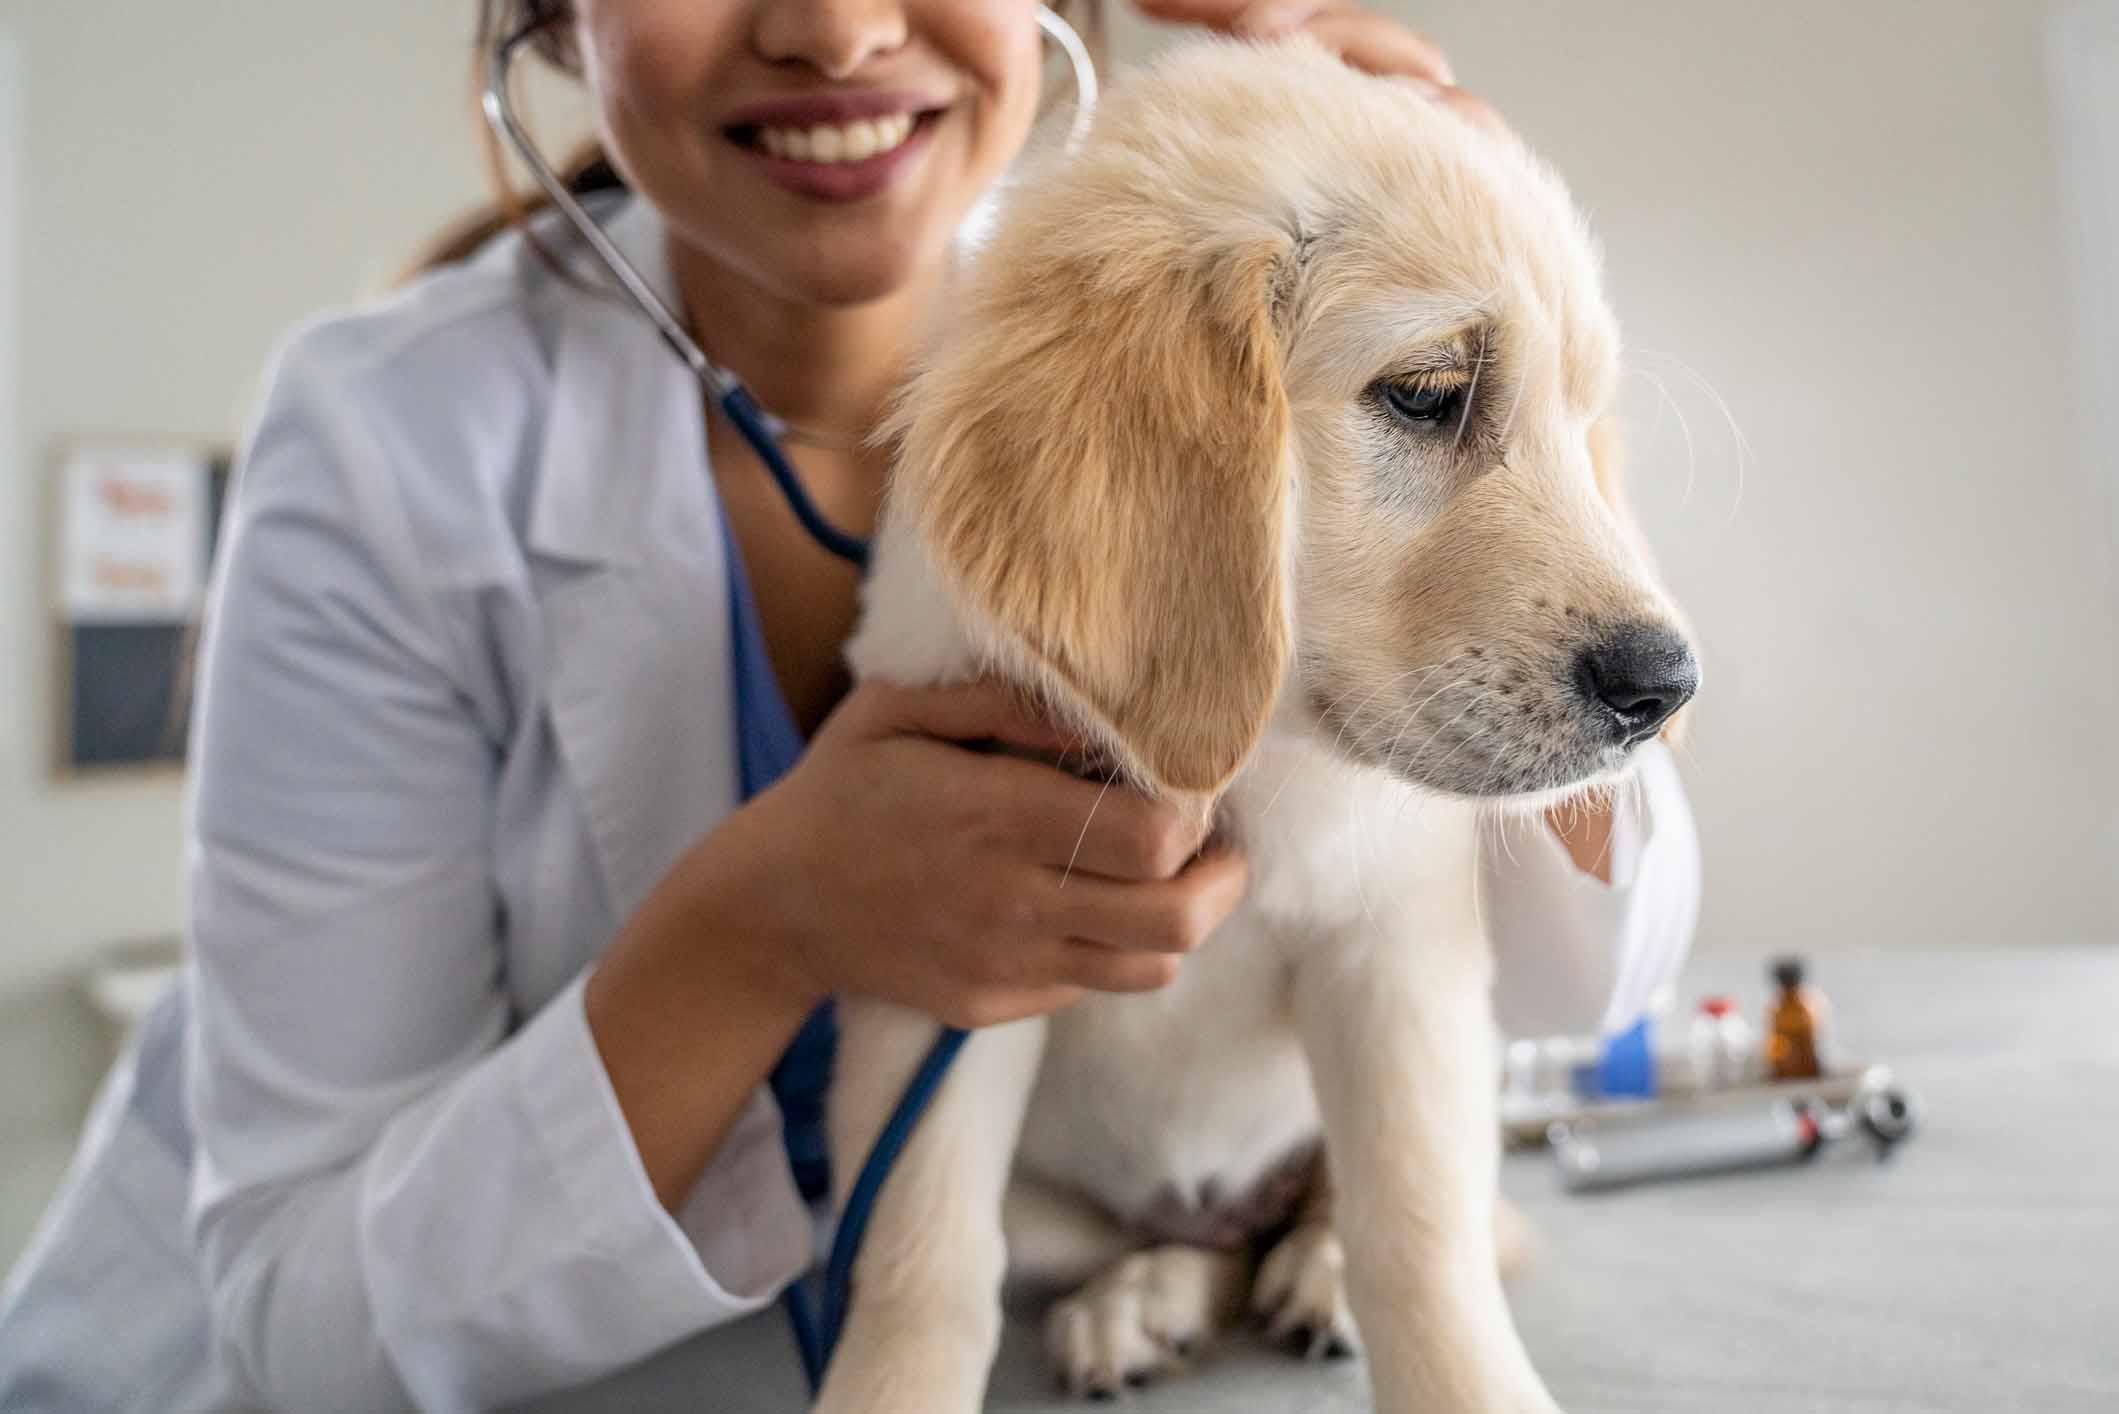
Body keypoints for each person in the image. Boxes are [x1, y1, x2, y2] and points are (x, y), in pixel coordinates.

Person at [0, 3, 1699, 1410]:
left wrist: (1505, 308)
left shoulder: (1197, 277)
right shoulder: (384, 450)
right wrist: (777, 917)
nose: (835, 26)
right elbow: (305, 1329)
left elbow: (1549, 954)